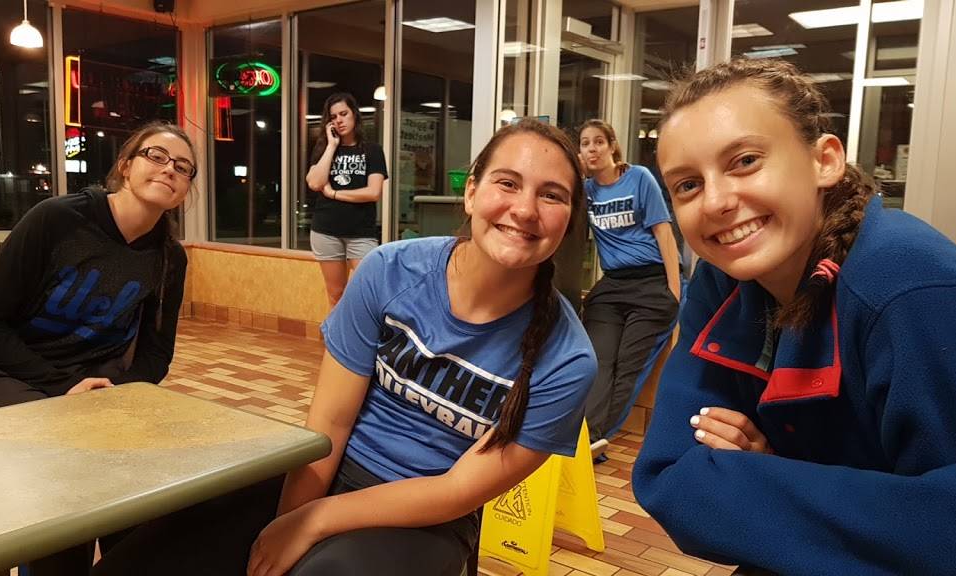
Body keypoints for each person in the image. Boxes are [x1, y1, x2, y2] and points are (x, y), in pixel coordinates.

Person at [90, 118, 597, 576]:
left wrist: (313, 522)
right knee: (145, 557)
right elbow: (330, 423)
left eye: (552, 195)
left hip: (427, 518)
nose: (524, 209)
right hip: (328, 469)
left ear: (570, 220)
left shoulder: (567, 360)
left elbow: (457, 490)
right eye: (507, 183)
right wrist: (288, 522)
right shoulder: (389, 272)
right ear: (471, 193)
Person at [632, 58, 956, 575]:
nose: (716, 202)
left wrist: (775, 470)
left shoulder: (908, 284)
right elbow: (669, 475)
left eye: (745, 161)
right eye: (687, 185)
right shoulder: (722, 278)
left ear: (824, 160)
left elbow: (955, 527)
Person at [0, 121, 193, 575]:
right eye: (156, 156)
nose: (169, 169)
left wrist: (119, 394)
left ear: (185, 190)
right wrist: (64, 387)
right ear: (125, 166)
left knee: (144, 489)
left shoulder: (168, 257)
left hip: (91, 387)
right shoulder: (57, 220)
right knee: (65, 473)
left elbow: (156, 355)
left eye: (182, 167)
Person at [577, 119, 680, 455]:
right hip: (612, 285)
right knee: (598, 361)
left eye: (598, 142)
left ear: (612, 145)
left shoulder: (639, 178)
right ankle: (586, 437)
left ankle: (596, 438)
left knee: (628, 366)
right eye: (585, 144)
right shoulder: (587, 191)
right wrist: (576, 172)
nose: (592, 149)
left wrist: (674, 291)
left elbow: (664, 233)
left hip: (652, 282)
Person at [306, 92, 388, 307]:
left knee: (368, 292)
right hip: (326, 231)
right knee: (336, 294)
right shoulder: (323, 149)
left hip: (361, 233)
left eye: (344, 114)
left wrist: (334, 193)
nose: (339, 120)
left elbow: (373, 192)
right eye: (333, 117)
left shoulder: (372, 150)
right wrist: (331, 146)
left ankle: (363, 330)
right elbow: (314, 183)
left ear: (354, 115)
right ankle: (337, 331)